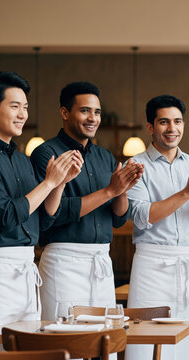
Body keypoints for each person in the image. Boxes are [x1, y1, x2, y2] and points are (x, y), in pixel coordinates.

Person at [0, 71, 81, 350]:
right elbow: (7, 216)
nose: (23, 114)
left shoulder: (23, 160)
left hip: (26, 271)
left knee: (26, 354)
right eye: (15, 106)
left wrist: (59, 184)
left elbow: (44, 220)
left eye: (25, 107)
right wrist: (48, 181)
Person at [30, 81, 144, 321]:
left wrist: (123, 189)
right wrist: (111, 191)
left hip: (102, 261)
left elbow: (118, 218)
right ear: (64, 113)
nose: (93, 118)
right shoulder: (46, 153)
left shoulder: (105, 156)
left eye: (97, 112)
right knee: (66, 342)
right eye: (84, 110)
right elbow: (54, 214)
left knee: (105, 340)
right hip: (63, 263)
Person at [126, 94, 189, 360]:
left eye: (178, 121)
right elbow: (141, 215)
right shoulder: (135, 166)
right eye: (164, 122)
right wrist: (186, 192)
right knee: (147, 345)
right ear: (150, 127)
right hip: (151, 267)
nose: (172, 129)